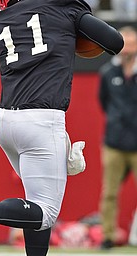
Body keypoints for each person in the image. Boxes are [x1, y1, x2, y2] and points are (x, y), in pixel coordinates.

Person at [0, 1, 124, 255]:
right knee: (45, 213)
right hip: (41, 120)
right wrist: (75, 28)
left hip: (5, 121)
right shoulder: (63, 9)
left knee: (33, 204)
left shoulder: (2, 22)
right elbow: (114, 41)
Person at [98, 26, 137, 250]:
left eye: (132, 44)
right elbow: (104, 102)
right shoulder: (108, 72)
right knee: (110, 193)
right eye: (125, 44)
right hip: (114, 142)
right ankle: (107, 236)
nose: (128, 49)